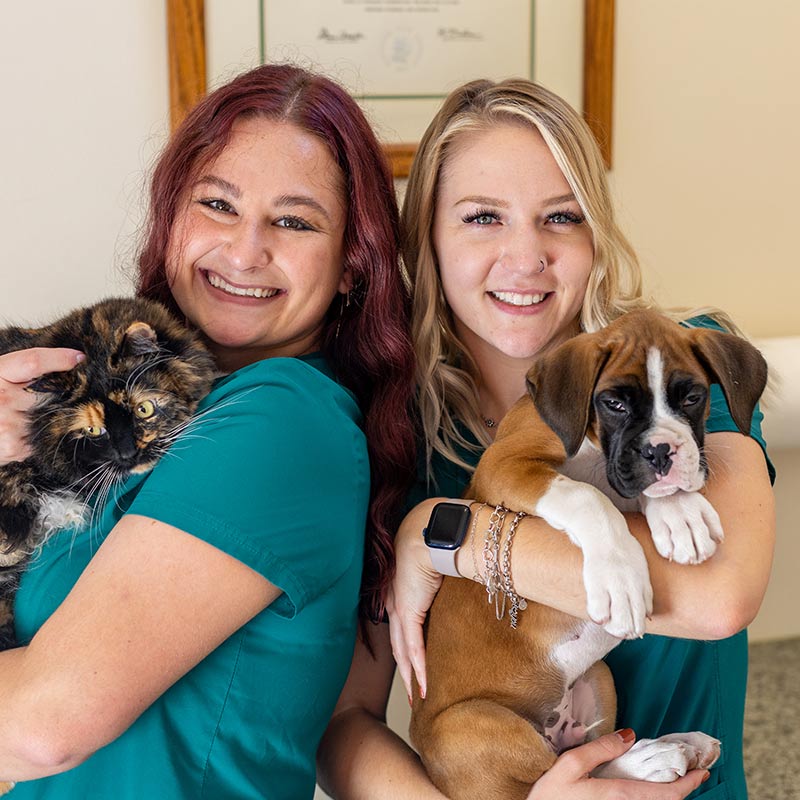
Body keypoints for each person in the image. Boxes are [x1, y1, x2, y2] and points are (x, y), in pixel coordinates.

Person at [316, 78, 775, 798]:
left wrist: (447, 537)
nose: (525, 255)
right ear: (427, 238)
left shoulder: (686, 362)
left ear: (596, 234)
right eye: (482, 218)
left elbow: (716, 597)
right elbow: (345, 722)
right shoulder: (390, 427)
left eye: (560, 216)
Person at [0, 63, 417, 799]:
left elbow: (44, 722)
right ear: (172, 221)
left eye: (294, 221)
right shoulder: (155, 414)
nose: (245, 250)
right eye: (217, 204)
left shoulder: (280, 418)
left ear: (352, 266)